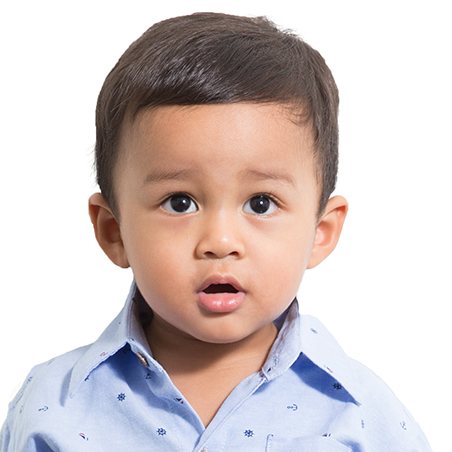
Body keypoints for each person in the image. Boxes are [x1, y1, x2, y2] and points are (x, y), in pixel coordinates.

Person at [0, 12, 431, 451]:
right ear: (114, 231)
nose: (220, 242)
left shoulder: (361, 414)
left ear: (321, 231)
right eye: (180, 202)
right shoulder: (54, 405)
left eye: (260, 204)